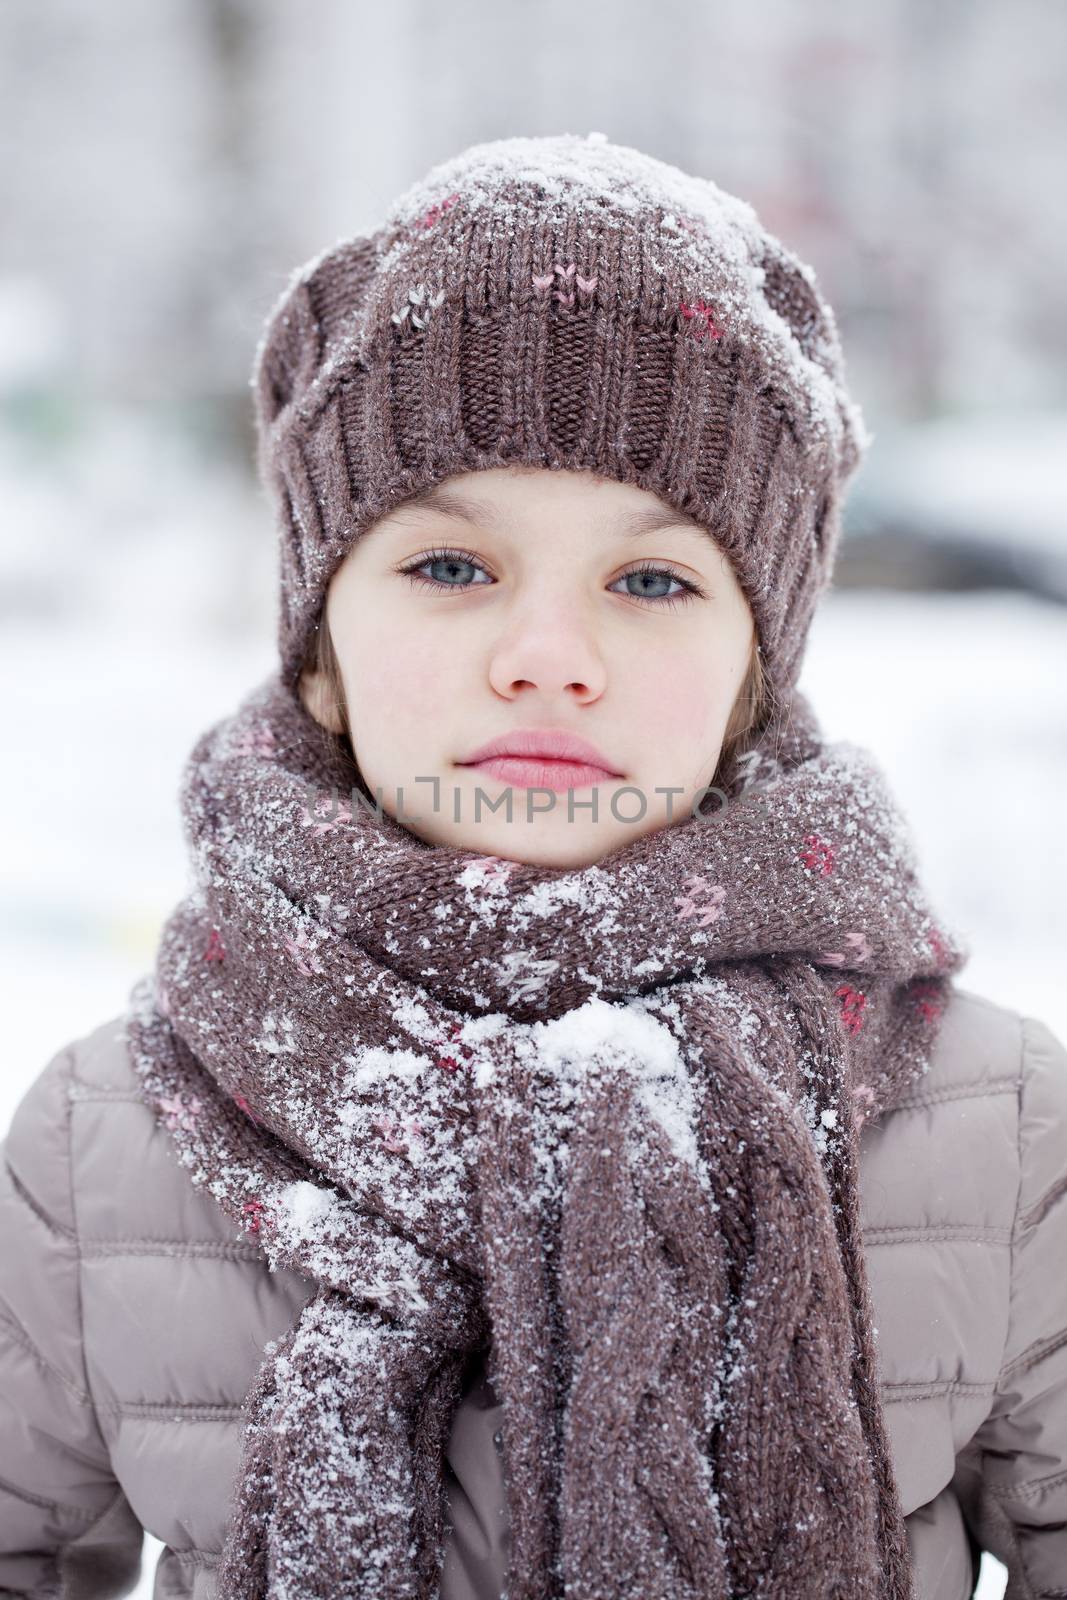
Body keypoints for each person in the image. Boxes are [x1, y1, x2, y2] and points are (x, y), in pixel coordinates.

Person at [1, 132, 1064, 1600]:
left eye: (651, 579)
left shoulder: (999, 1129)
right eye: (451, 568)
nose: (549, 659)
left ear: (755, 673)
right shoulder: (101, 1142)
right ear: (320, 657)